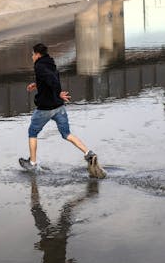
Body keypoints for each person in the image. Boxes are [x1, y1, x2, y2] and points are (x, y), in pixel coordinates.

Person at [19, 43, 105, 178]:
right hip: (59, 107)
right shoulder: (50, 63)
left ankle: (33, 163)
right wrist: (36, 85)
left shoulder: (39, 65)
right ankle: (88, 153)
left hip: (46, 108)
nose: (32, 57)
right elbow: (49, 79)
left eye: (32, 54)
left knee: (32, 132)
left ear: (37, 54)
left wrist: (58, 93)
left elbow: (52, 80)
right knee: (67, 134)